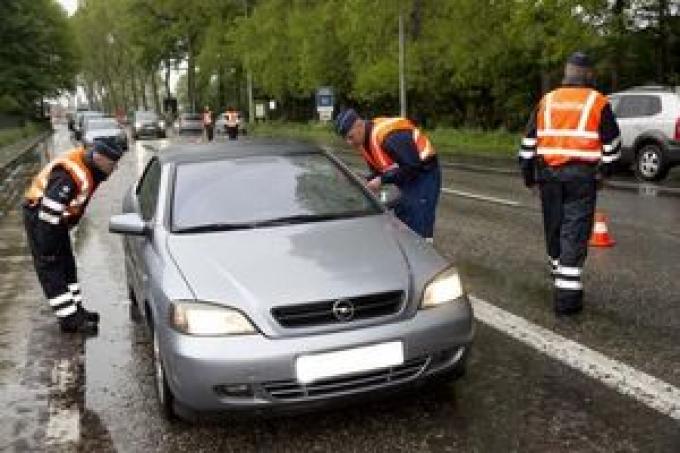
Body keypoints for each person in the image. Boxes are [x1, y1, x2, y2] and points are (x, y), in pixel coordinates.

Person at [519, 51, 621, 316]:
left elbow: (528, 143)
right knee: (574, 231)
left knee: (554, 226)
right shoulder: (597, 101)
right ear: (588, 74)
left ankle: (559, 271)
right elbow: (612, 145)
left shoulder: (547, 100)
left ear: (566, 73)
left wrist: (529, 177)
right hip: (581, 177)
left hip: (549, 175)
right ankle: (567, 300)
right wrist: (605, 172)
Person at [23, 138, 123, 334]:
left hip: (57, 219)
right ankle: (68, 319)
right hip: (42, 217)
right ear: (99, 158)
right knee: (51, 265)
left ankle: (77, 311)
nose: (114, 169)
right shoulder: (69, 175)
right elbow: (48, 214)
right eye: (112, 164)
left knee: (67, 264)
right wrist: (47, 247)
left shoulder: (92, 168)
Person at [336, 109, 441, 242]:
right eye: (346, 139)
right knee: (402, 215)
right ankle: (407, 247)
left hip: (424, 174)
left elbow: (412, 166)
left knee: (419, 219)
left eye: (350, 137)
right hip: (405, 176)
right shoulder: (364, 143)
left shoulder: (388, 136)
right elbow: (380, 170)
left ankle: (424, 250)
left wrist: (381, 179)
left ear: (359, 125)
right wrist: (363, 180)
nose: (349, 143)